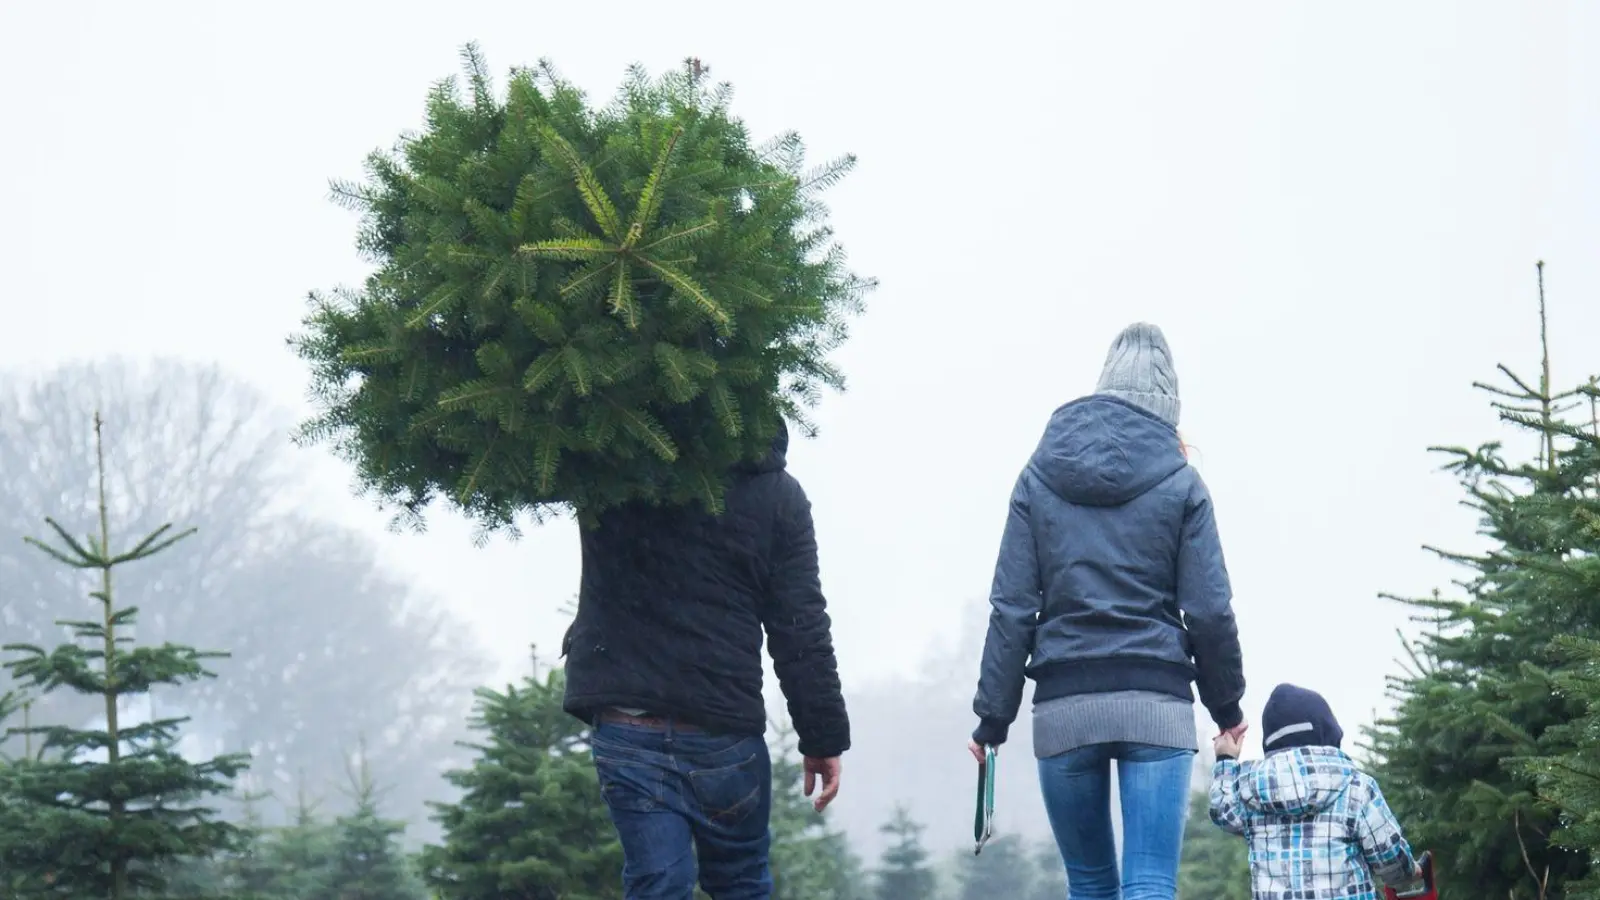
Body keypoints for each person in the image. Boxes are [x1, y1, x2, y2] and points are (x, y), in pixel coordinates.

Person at [969, 322, 1247, 900]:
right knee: (1149, 884)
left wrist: (993, 719)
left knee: (1091, 885)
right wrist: (1226, 706)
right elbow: (1210, 610)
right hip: (1156, 704)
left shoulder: (1038, 475)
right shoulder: (1182, 482)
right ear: (1167, 412)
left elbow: (1013, 608)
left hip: (1066, 708)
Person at [562, 420, 850, 900]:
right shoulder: (777, 495)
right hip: (722, 728)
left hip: (628, 721)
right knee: (739, 883)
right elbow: (800, 626)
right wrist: (821, 737)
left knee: (658, 884)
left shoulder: (614, 452)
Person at [1209, 683, 1423, 899]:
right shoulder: (1355, 787)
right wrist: (1408, 873)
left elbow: (1223, 812)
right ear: (1328, 734)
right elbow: (1389, 858)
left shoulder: (1249, 792)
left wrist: (1226, 760)